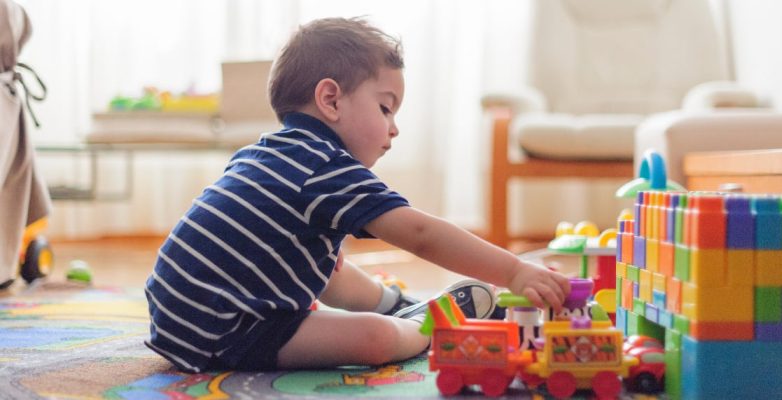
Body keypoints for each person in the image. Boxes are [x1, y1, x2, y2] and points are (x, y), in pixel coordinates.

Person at [144, 17, 570, 373]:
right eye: (385, 108)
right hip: (226, 330)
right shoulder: (324, 166)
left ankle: (396, 303)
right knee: (375, 338)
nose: (394, 128)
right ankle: (424, 322)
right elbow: (419, 233)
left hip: (172, 320)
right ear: (330, 100)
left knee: (329, 267)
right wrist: (514, 272)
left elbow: (322, 273)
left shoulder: (265, 152)